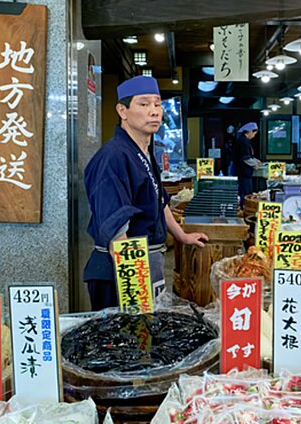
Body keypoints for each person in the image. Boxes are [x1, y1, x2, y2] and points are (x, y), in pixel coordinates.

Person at [83, 75, 208, 310]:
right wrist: (134, 284)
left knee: (147, 340)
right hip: (121, 269)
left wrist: (182, 236)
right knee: (125, 341)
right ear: (122, 110)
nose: (154, 111)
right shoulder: (113, 157)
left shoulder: (144, 152)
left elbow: (160, 201)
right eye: (143, 104)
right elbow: (116, 226)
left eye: (157, 104)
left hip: (147, 262)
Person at [234, 121, 261, 209]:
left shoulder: (244, 140)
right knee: (246, 193)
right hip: (244, 172)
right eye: (254, 133)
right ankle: (244, 209)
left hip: (244, 172)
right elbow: (245, 158)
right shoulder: (243, 141)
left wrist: (256, 160)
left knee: (244, 191)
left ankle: (243, 208)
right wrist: (255, 164)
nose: (254, 136)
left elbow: (249, 156)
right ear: (249, 131)